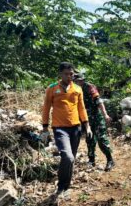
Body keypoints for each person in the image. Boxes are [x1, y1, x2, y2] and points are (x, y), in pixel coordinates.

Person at [42, 62, 92, 199]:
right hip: (60, 129)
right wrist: (44, 128)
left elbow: (81, 108)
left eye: (71, 74)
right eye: (66, 74)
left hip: (76, 128)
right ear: (60, 74)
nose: (69, 76)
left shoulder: (77, 89)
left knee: (71, 159)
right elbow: (46, 108)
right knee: (68, 156)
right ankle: (60, 186)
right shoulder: (52, 88)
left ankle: (66, 187)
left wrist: (87, 125)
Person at [74, 73, 115, 171]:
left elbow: (99, 101)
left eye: (80, 80)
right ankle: (91, 161)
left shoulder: (89, 87)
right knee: (90, 140)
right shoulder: (74, 89)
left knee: (101, 139)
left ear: (83, 80)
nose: (79, 82)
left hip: (97, 118)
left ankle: (110, 160)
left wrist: (105, 115)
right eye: (77, 81)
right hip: (86, 120)